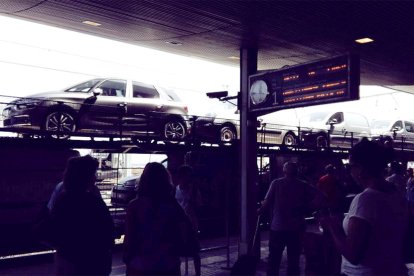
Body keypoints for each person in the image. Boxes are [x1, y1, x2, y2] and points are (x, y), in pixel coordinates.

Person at [319, 138, 408, 275]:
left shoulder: (365, 200)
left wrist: (332, 226)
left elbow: (353, 255)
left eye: (350, 166)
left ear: (360, 168)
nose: (349, 172)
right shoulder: (396, 193)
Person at [50, 155, 114, 275]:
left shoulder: (62, 199)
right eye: (92, 174)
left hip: (66, 258)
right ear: (85, 178)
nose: (95, 178)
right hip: (90, 262)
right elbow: (107, 229)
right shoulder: (93, 202)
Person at [123, 162, 189, 275]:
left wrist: (128, 259)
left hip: (141, 264)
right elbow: (186, 226)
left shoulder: (134, 206)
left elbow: (130, 238)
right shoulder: (172, 205)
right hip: (168, 264)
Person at [258, 161, 316, 275]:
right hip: (297, 228)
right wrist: (309, 207)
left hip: (278, 228)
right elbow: (320, 196)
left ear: (284, 171)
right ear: (297, 171)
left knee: (274, 260)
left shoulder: (276, 183)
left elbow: (266, 202)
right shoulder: (302, 184)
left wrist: (259, 211)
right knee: (294, 260)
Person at [175, 165, 201, 276]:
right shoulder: (174, 190)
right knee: (177, 252)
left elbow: (199, 205)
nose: (188, 179)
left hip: (191, 224)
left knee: (195, 252)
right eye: (186, 176)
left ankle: (198, 274)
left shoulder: (194, 191)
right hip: (179, 225)